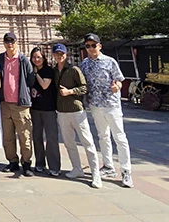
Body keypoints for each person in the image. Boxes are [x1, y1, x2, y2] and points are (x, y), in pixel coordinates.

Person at [81, 33, 133, 188]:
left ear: (99, 46)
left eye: (93, 45)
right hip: (96, 105)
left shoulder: (110, 62)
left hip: (112, 105)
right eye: (88, 46)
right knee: (103, 137)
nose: (91, 48)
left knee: (119, 137)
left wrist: (116, 86)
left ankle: (126, 171)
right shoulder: (84, 64)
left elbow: (119, 80)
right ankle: (108, 166)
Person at [53, 43, 101, 188]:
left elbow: (84, 87)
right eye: (56, 54)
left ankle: (95, 174)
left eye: (61, 54)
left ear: (65, 55)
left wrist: (70, 91)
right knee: (69, 143)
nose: (59, 56)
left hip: (76, 110)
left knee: (87, 142)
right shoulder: (54, 71)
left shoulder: (74, 70)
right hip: (61, 111)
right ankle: (77, 168)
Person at [0, 32, 35, 177]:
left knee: (25, 136)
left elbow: (30, 79)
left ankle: (26, 163)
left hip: (21, 104)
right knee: (8, 136)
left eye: (12, 41)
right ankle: (12, 161)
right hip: (5, 103)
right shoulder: (0, 58)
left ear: (17, 42)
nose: (9, 44)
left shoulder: (23, 60)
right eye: (6, 41)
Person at [29, 46, 60, 175]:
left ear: (43, 58)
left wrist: (36, 73)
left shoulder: (48, 71)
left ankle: (54, 166)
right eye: (34, 57)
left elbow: (45, 85)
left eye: (39, 57)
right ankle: (39, 163)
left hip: (49, 109)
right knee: (36, 137)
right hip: (35, 108)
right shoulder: (30, 70)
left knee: (51, 138)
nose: (36, 59)